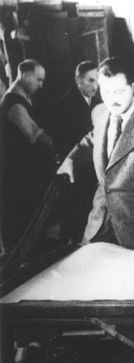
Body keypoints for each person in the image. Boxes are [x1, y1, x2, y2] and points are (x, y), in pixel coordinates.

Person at [57, 57, 134, 260]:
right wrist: (71, 159)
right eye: (106, 92)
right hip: (99, 224)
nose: (112, 99)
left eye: (120, 91)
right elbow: (90, 141)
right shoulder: (102, 116)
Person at [0, 59, 55, 253]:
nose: (41, 85)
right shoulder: (13, 102)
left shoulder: (21, 98)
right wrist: (57, 145)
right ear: (24, 75)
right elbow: (33, 134)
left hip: (22, 175)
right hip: (17, 178)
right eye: (38, 80)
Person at [47, 60, 102, 242]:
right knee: (76, 222)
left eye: (97, 81)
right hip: (75, 173)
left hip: (92, 169)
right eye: (91, 80)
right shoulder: (63, 106)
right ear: (78, 80)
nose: (95, 86)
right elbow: (61, 144)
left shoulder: (98, 102)